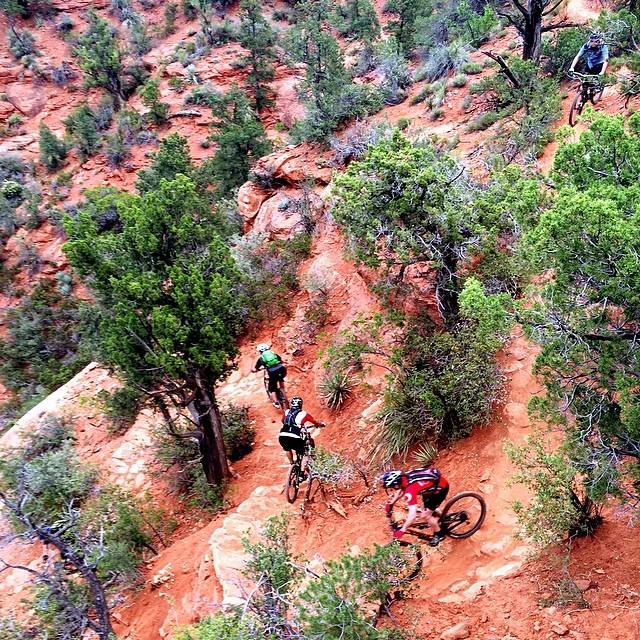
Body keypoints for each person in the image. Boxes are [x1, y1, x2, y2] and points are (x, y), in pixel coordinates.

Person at [382, 468, 449, 547]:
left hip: (439, 490)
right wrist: (391, 503)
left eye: (392, 487)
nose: (393, 488)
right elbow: (402, 490)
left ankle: (439, 534)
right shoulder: (405, 478)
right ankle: (442, 517)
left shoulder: (411, 490)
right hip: (430, 489)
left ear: (396, 484)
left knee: (426, 515)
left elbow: (412, 515)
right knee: (425, 508)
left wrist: (403, 529)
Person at [279, 396, 324, 467]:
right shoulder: (304, 414)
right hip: (294, 437)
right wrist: (320, 424)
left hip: (282, 436)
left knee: (287, 448)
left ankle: (292, 465)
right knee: (303, 451)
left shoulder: (287, 411)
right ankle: (302, 472)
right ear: (301, 404)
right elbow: (314, 422)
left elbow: (283, 421)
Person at [252, 343, 287, 408]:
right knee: (280, 378)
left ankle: (276, 402)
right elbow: (281, 360)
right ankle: (283, 391)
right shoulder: (273, 354)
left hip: (272, 372)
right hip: (282, 369)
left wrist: (255, 370)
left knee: (272, 388)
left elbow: (256, 368)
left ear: (260, 351)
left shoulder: (261, 358)